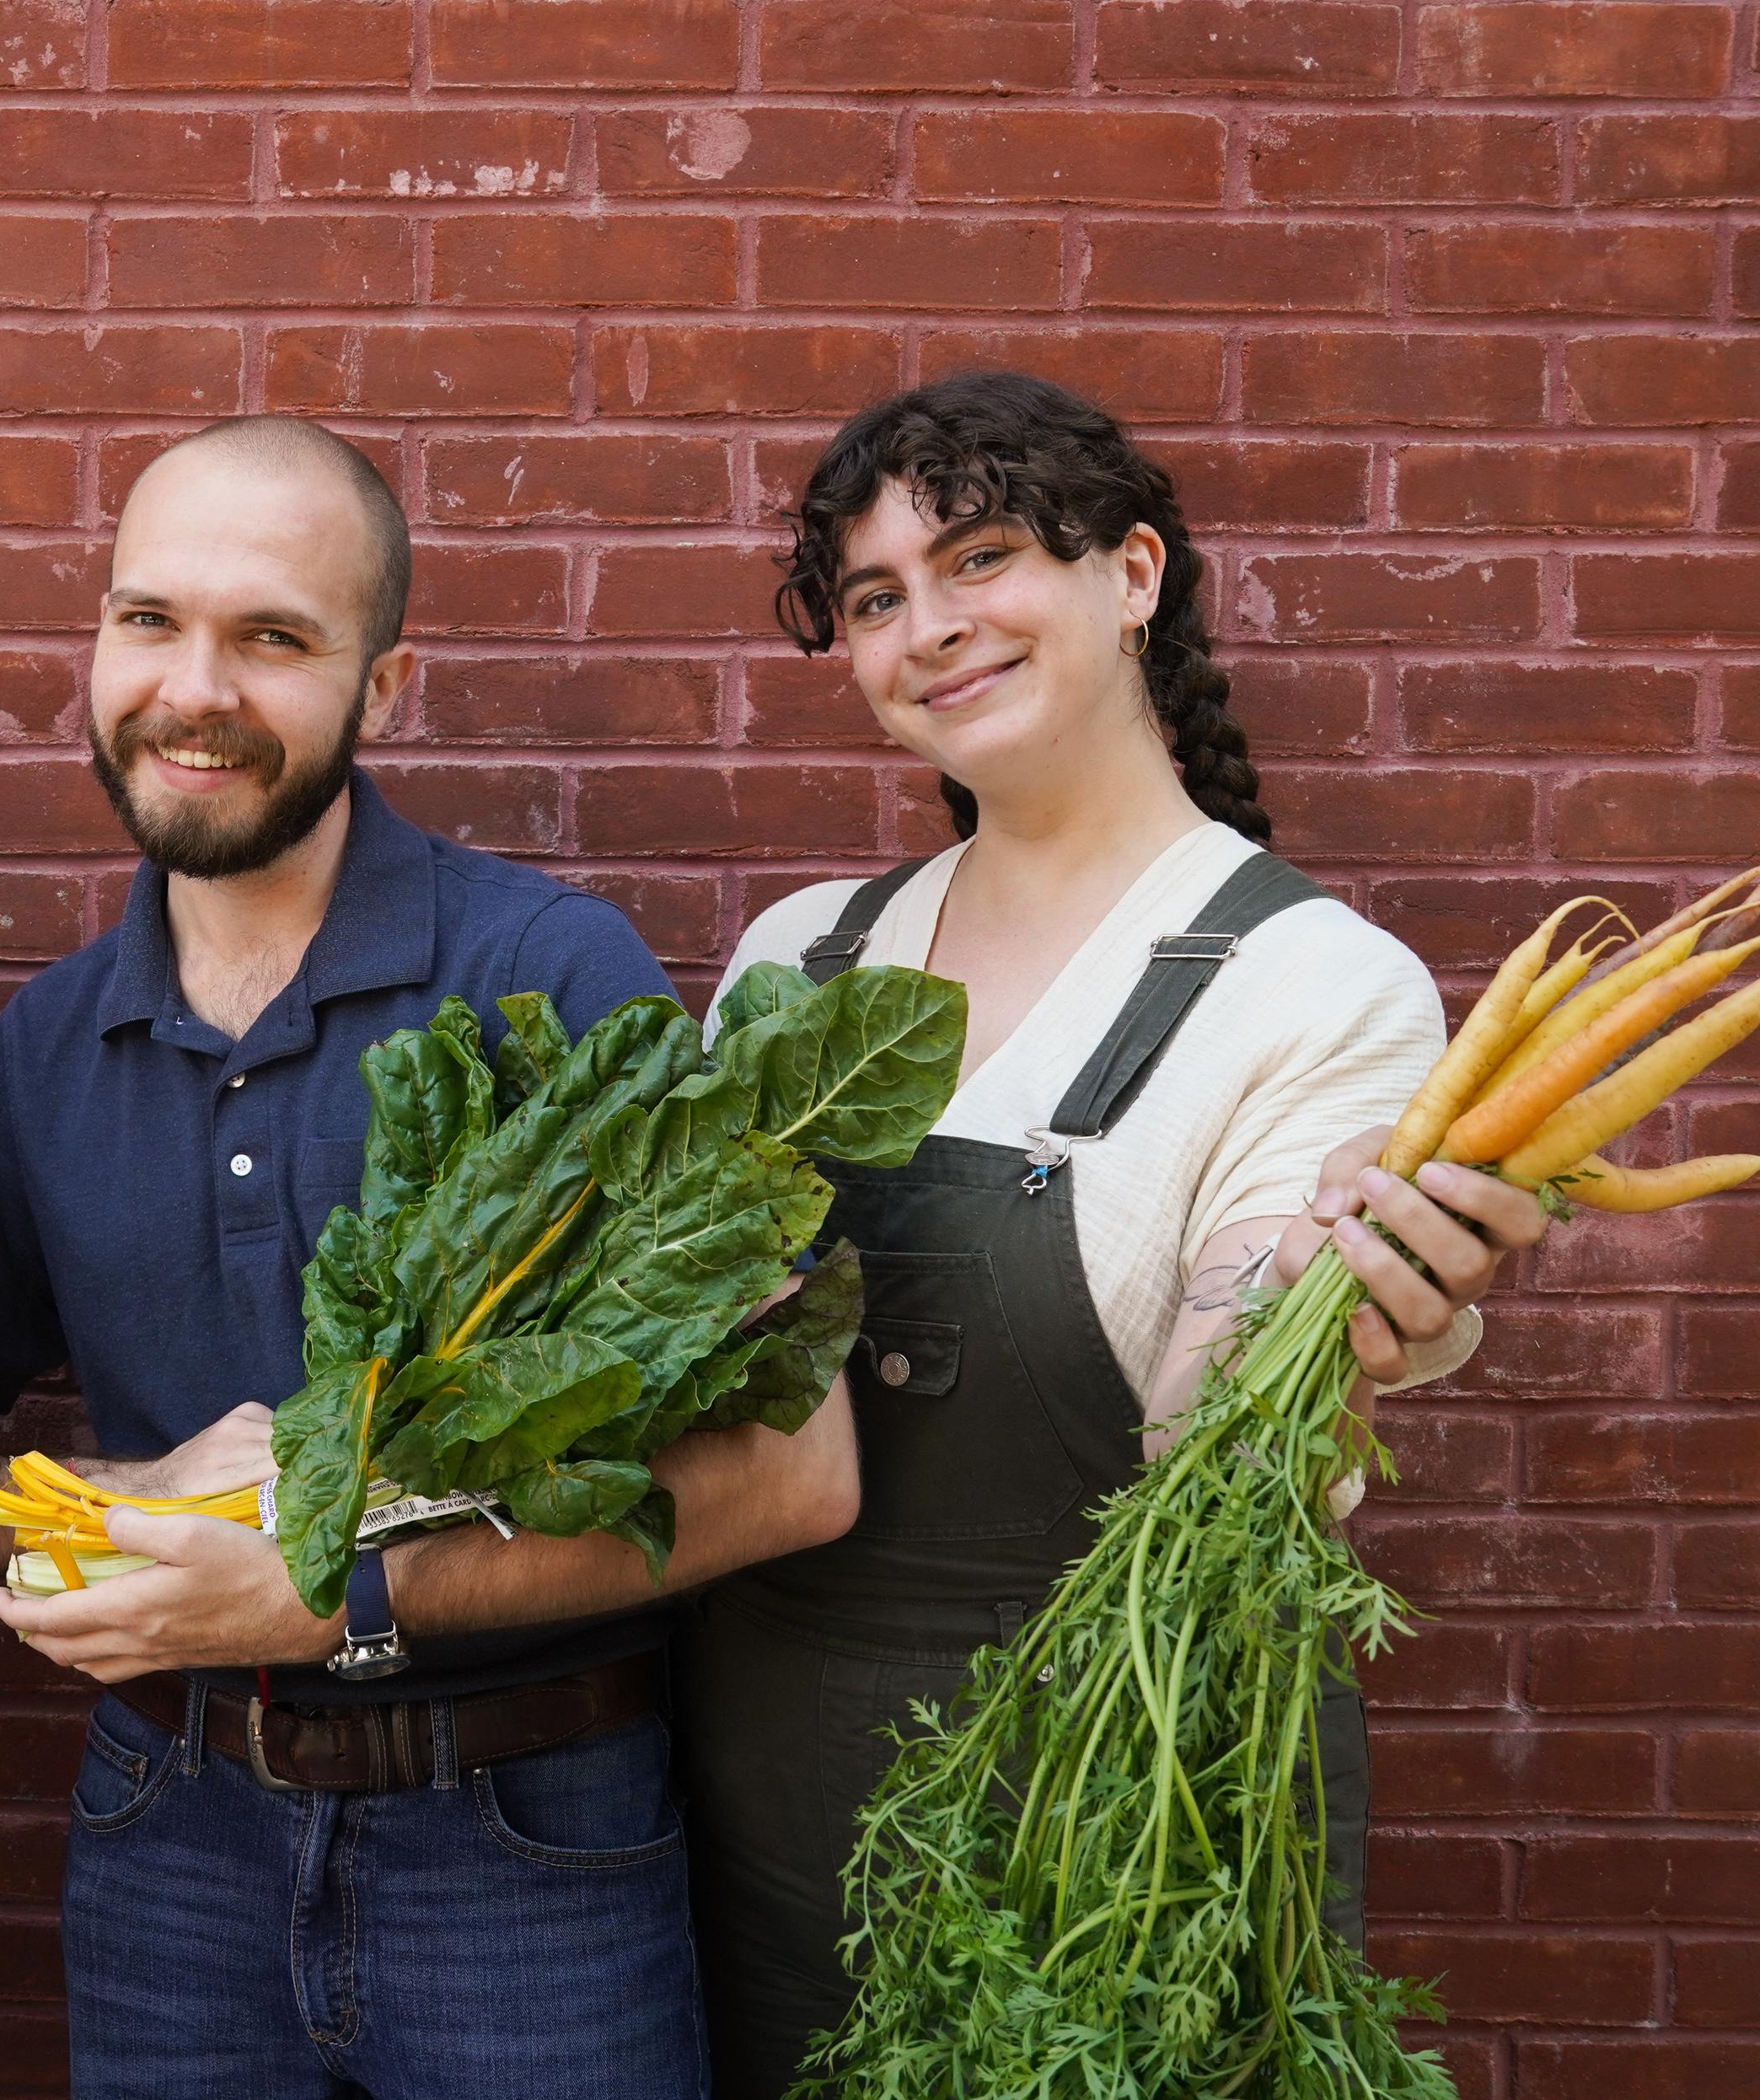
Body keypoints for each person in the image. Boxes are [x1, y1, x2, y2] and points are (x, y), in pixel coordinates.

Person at [0, 416, 863, 2099]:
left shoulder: (548, 975)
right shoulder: (42, 1053)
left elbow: (792, 1473)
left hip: (529, 1839)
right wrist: (130, 1508)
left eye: (274, 639)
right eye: (149, 620)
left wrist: (332, 1589)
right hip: (167, 1832)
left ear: (382, 688)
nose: (194, 688)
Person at [677, 370, 1551, 2097]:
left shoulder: (1314, 986)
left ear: (1133, 572)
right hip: (759, 1814)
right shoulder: (799, 963)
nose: (928, 629)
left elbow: (1202, 1443)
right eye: (873, 601)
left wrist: (1335, 1323)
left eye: (981, 558)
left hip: (1115, 1824)